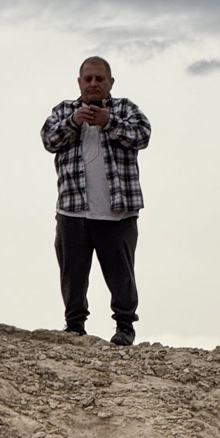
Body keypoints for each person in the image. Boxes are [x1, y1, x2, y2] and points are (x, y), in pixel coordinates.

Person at [41, 57, 152, 346]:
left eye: (99, 79)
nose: (93, 84)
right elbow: (48, 139)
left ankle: (125, 327)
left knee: (121, 273)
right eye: (88, 79)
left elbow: (143, 135)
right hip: (72, 210)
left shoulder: (126, 109)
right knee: (72, 272)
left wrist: (109, 123)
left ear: (110, 83)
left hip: (117, 212)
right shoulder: (64, 110)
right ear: (79, 83)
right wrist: (73, 122)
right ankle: (75, 325)